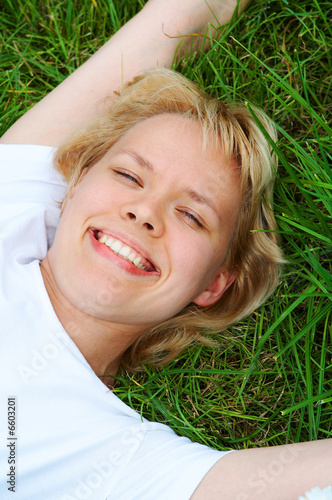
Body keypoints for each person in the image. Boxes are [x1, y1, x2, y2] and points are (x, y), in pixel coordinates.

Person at [0, 1, 331, 499]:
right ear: (71, 186)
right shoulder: (10, 212)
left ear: (214, 283)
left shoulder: (112, 460)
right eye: (129, 175)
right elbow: (183, 13)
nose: (145, 212)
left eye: (193, 215)